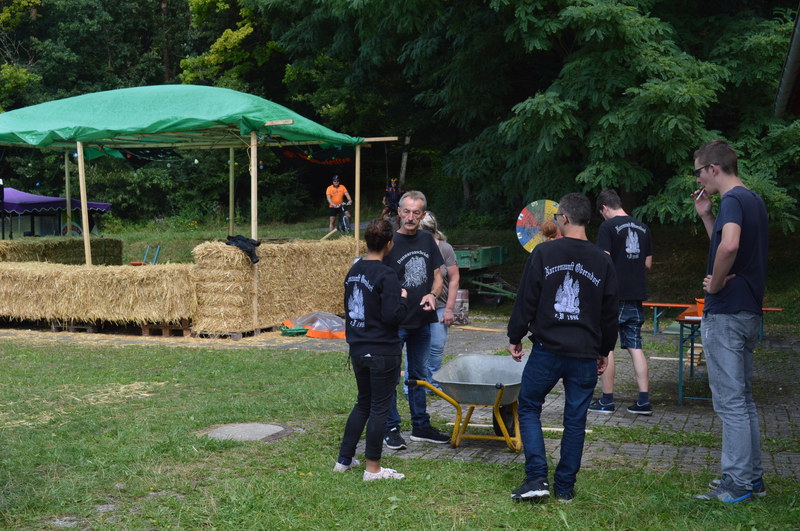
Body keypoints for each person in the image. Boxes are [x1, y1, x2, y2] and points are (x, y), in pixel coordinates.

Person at [507, 193, 618, 503]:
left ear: (565, 218)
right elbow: (610, 313)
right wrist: (604, 350)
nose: (556, 222)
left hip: (548, 349)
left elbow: (526, 299)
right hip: (584, 354)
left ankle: (536, 477)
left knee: (529, 407)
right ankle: (565, 489)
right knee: (575, 419)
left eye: (557, 218)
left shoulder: (544, 253)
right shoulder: (603, 260)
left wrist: (515, 336)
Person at [691, 140, 768, 504]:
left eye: (698, 172)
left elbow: (730, 247)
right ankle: (752, 478)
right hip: (748, 310)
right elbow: (724, 245)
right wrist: (707, 216)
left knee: (730, 403)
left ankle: (736, 484)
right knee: (744, 400)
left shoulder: (733, 200)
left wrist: (717, 284)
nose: (698, 180)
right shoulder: (752, 200)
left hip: (726, 312)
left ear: (713, 168)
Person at [335, 219, 409, 481]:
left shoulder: (354, 270)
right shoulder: (387, 275)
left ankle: (344, 460)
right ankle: (373, 468)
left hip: (358, 347)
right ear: (389, 243)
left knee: (363, 403)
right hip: (382, 350)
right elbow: (392, 316)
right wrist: (403, 299)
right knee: (379, 407)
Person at [382, 190, 450, 449]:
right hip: (396, 323)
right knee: (391, 376)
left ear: (423, 215)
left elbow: (438, 276)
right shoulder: (389, 242)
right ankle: (391, 428)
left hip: (422, 320)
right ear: (399, 212)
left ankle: (420, 426)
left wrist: (433, 294)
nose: (411, 217)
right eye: (406, 212)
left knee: (419, 375)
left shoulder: (427, 240)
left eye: (416, 213)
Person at [589, 188, 654, 415]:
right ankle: (643, 401)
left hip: (613, 296)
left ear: (605, 208)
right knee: (635, 346)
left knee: (606, 346)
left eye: (601, 213)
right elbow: (647, 264)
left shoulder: (607, 227)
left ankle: (607, 400)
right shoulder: (643, 227)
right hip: (636, 295)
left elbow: (604, 261)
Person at [419, 211, 460, 388]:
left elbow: (454, 279)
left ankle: (433, 383)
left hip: (440, 305)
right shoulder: (412, 247)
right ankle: (415, 382)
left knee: (436, 346)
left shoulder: (445, 249)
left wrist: (450, 309)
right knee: (416, 347)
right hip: (418, 306)